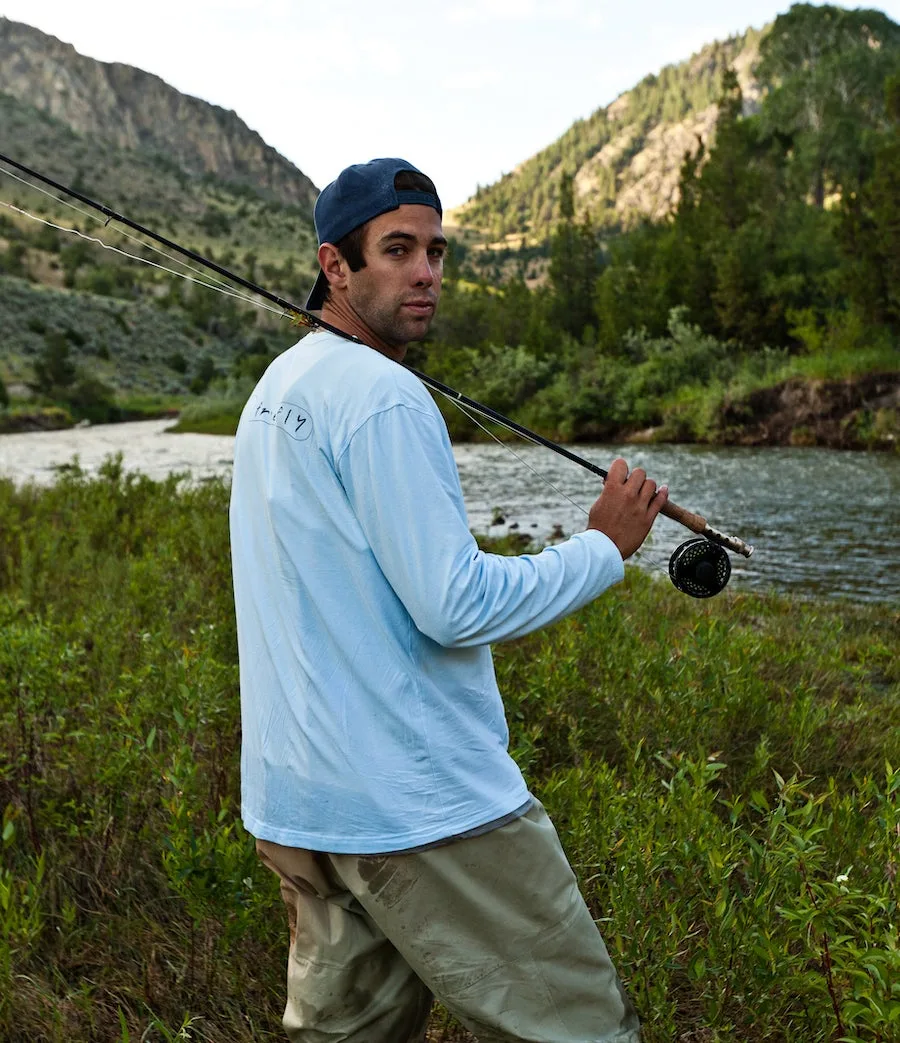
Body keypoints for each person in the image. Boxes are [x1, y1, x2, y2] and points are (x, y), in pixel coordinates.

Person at [229, 158, 668, 1043]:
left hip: (302, 808)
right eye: (398, 249)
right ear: (334, 265)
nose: (427, 271)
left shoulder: (274, 393)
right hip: (422, 811)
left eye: (436, 249)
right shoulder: (385, 396)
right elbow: (455, 603)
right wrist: (602, 547)